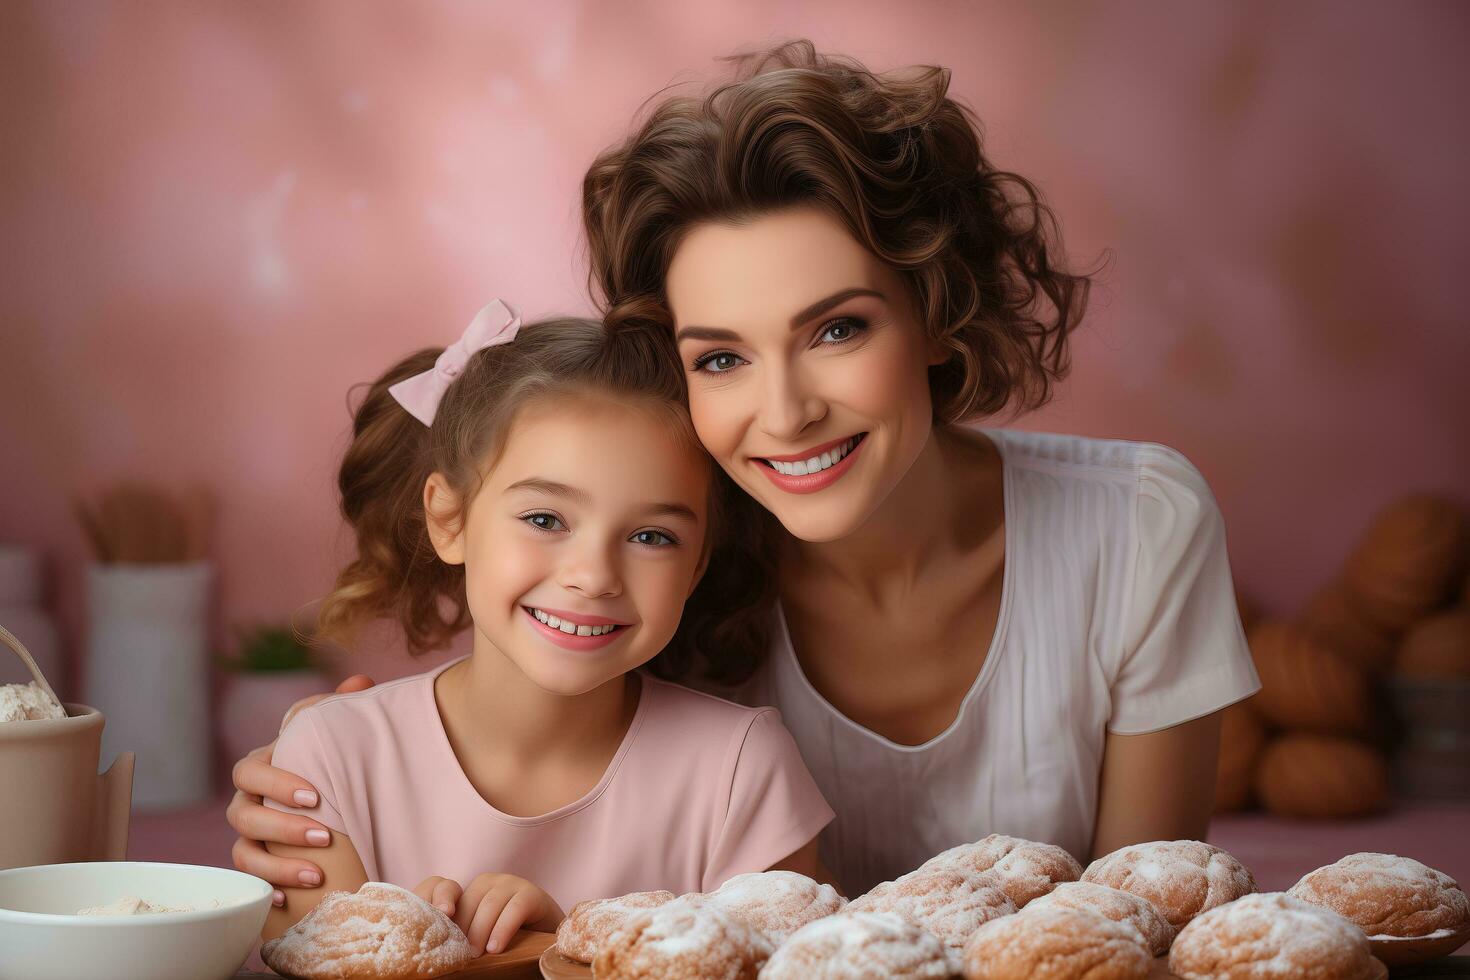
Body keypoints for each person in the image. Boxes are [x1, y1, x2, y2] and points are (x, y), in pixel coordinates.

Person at [230, 42, 1259, 901]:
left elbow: (1141, 922)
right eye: (721, 356)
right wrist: (328, 762)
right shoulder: (665, 560)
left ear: (939, 314)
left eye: (838, 328)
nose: (785, 410)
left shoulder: (1138, 526)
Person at [255, 300, 832, 955]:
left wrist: (566, 952)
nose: (593, 576)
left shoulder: (742, 773)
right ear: (450, 519)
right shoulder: (328, 760)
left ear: (696, 566)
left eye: (651, 536)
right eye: (545, 520)